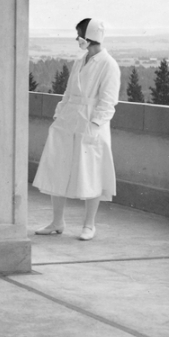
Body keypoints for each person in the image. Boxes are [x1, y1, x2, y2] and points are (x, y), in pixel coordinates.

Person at [33, 18, 120, 241]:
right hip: (68, 121)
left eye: (80, 35)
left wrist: (94, 126)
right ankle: (57, 222)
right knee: (58, 167)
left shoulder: (108, 64)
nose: (77, 39)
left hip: (91, 124)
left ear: (90, 36)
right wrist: (59, 114)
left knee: (91, 173)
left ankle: (89, 225)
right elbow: (69, 92)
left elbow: (108, 101)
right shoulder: (80, 61)